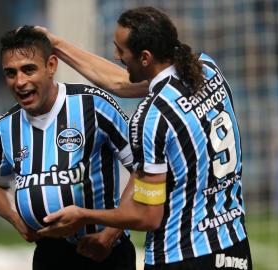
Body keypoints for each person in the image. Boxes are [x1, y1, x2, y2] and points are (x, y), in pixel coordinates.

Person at [38, 6, 253, 270]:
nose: (116, 55)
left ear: (145, 58)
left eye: (121, 50)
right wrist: (57, 44)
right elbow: (119, 83)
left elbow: (148, 216)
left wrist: (83, 215)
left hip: (181, 256)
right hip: (234, 246)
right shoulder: (206, 69)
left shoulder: (151, 118)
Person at [0, 25, 136, 270]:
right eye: (11, 73)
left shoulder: (93, 105)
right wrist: (15, 218)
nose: (20, 82)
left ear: (51, 66)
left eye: (29, 69)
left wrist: (110, 234)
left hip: (105, 251)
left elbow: (144, 170)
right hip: (49, 255)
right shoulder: (4, 128)